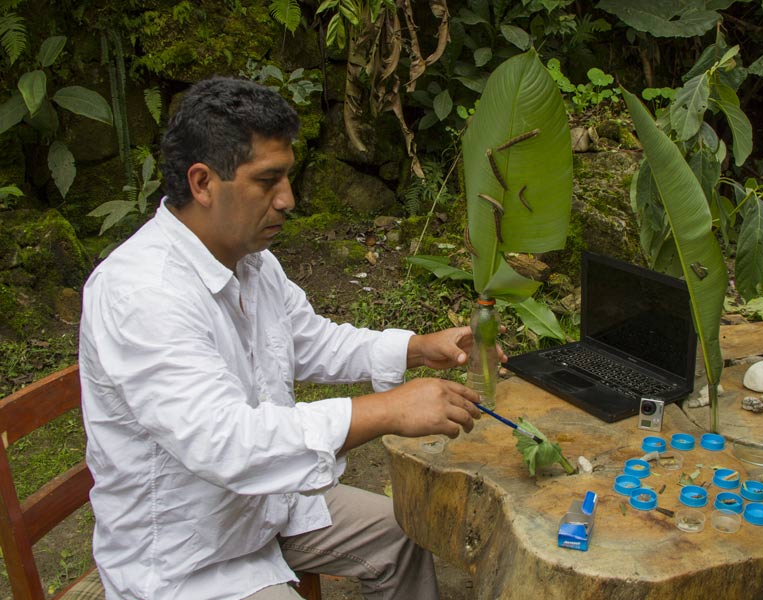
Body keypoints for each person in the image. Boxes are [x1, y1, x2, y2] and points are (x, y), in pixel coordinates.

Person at [79, 76, 500, 600]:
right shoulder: (141, 293)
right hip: (186, 555)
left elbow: (309, 341)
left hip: (265, 507)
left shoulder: (252, 262)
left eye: (288, 178)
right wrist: (386, 410)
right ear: (203, 182)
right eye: (268, 180)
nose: (288, 200)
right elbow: (225, 442)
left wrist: (417, 348)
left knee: (403, 533)